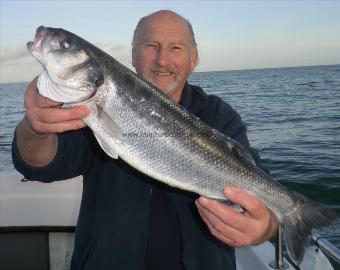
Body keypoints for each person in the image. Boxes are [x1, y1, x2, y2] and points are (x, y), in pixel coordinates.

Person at [12, 10, 278, 270]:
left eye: (176, 48)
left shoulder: (219, 115)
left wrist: (265, 226)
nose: (162, 60)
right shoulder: (87, 110)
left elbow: (258, 185)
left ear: (193, 59)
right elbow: (39, 164)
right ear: (133, 55)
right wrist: (36, 129)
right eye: (151, 45)